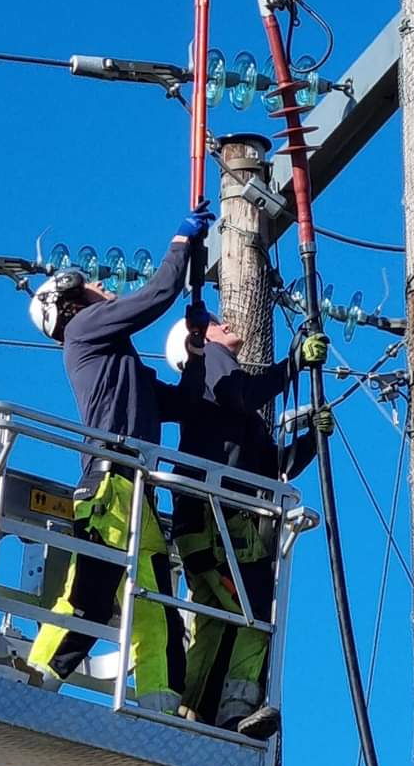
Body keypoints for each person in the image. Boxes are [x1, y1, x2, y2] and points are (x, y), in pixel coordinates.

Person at [25, 209, 212, 713]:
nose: (103, 288)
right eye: (91, 287)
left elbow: (181, 405)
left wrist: (196, 355)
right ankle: (35, 678)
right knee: (89, 593)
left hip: (133, 488)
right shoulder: (84, 329)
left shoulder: (118, 362)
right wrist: (180, 243)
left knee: (154, 604)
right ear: (70, 304)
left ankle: (159, 702)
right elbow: (156, 297)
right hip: (112, 485)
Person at [162, 311, 327, 732]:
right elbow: (244, 392)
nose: (225, 324)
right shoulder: (212, 361)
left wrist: (312, 438)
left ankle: (191, 710)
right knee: (255, 612)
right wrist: (295, 363)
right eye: (216, 322)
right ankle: (235, 708)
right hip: (220, 524)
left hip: (203, 527)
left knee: (218, 620)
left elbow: (271, 466)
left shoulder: (232, 416)